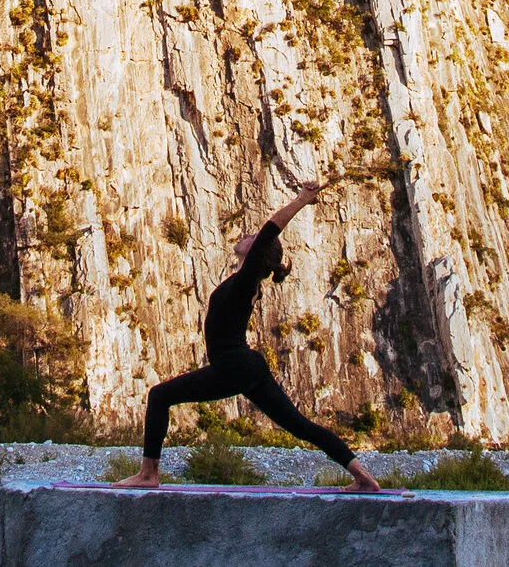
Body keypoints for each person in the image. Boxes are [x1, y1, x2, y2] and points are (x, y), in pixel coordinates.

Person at [112, 180, 382, 492]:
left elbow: (271, 228)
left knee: (160, 396)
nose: (247, 235)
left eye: (252, 237)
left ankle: (148, 474)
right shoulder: (244, 281)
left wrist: (302, 199)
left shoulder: (246, 281)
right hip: (246, 367)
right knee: (300, 427)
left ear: (258, 253)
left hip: (234, 365)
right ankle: (364, 479)